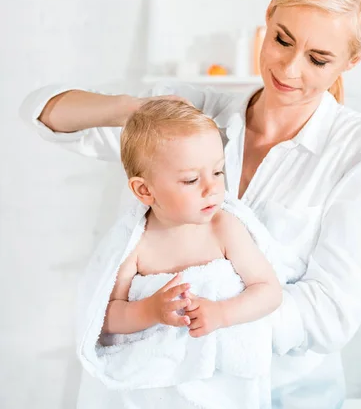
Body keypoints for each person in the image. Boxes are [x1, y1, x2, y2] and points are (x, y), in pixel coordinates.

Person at [20, 0, 361, 409]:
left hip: (284, 394)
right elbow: (40, 113)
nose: (289, 68)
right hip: (154, 390)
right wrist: (132, 111)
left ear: (353, 61)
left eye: (318, 59)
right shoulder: (196, 115)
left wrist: (209, 319)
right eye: (282, 39)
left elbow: (330, 316)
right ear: (269, 17)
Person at [91, 97, 281, 407]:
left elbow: (269, 291)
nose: (212, 189)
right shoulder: (135, 244)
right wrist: (150, 311)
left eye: (218, 173)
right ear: (144, 190)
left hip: (221, 386)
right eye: (191, 179)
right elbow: (107, 316)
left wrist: (222, 313)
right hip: (158, 388)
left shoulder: (223, 228)